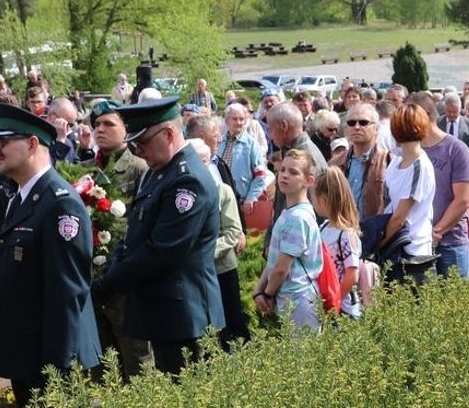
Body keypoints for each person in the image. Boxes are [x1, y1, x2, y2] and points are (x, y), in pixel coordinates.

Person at [93, 98, 225, 376]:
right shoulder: (160, 172)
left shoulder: (187, 180)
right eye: (134, 145)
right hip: (165, 310)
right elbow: (136, 233)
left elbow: (162, 251)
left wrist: (107, 284)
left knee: (189, 394)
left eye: (142, 143)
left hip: (185, 316)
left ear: (168, 134)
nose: (138, 151)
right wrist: (116, 262)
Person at [0, 103, 102, 407]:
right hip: (28, 352)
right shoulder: (22, 197)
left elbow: (68, 292)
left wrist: (58, 368)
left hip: (50, 360)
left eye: (2, 142)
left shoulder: (60, 204)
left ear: (32, 144)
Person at [85, 99, 154, 378]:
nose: (100, 129)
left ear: (125, 129)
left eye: (108, 124)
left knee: (137, 360)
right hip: (93, 279)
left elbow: (144, 225)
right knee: (101, 364)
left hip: (125, 280)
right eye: (96, 125)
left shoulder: (139, 168)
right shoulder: (85, 169)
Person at [186, 136, 249, 347]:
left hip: (221, 266)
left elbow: (233, 231)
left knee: (232, 319)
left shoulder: (222, 191)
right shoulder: (183, 195)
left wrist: (206, 252)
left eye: (204, 161)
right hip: (195, 272)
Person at [253, 150, 324, 333]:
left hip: (299, 299)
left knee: (303, 349)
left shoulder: (297, 218)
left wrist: (267, 294)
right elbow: (274, 261)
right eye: (282, 170)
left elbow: (281, 268)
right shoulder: (290, 212)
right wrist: (259, 290)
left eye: (293, 172)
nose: (284, 175)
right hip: (291, 298)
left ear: (308, 181)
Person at [411, 91, 469, 279]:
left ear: (425, 116)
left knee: (454, 296)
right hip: (416, 243)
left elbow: (463, 200)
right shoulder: (410, 151)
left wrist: (436, 232)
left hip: (450, 244)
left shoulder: (456, 150)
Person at [374, 103, 436, 282]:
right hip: (395, 247)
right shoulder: (396, 161)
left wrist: (378, 244)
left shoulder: (420, 166)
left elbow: (400, 217)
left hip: (413, 252)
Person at [314, 169, 364, 319]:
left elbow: (352, 276)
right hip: (328, 304)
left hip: (345, 310)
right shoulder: (323, 227)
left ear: (323, 200)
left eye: (313, 198)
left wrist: (334, 304)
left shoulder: (346, 234)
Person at [219, 103, 270, 221]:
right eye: (235, 119)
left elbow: (260, 174)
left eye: (242, 119)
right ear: (227, 120)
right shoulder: (220, 141)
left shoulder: (251, 143)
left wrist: (251, 197)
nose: (239, 122)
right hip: (220, 200)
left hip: (241, 202)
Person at [338, 102, 389, 218]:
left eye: (363, 122)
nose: (357, 127)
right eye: (351, 123)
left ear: (376, 128)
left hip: (374, 227)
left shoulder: (388, 161)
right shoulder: (336, 164)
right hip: (343, 226)